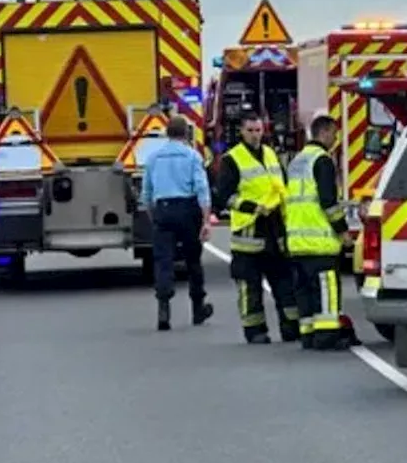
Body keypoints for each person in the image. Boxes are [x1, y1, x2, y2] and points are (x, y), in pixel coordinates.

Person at [216, 113, 300, 344]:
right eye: (250, 130)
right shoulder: (232, 159)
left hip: (275, 228)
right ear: (242, 132)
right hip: (249, 232)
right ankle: (255, 331)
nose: (255, 135)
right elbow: (224, 197)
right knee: (249, 286)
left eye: (258, 130)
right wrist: (252, 207)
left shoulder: (271, 154)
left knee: (285, 282)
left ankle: (291, 327)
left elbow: (282, 185)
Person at [282, 114, 361, 350]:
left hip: (297, 241)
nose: (335, 139)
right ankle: (326, 336)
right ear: (324, 132)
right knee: (326, 292)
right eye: (334, 134)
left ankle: (308, 334)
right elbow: (328, 203)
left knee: (304, 292)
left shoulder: (296, 161)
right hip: (319, 241)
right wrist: (343, 232)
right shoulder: (322, 161)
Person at [140, 115, 215, 331]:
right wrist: (205, 220)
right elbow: (202, 189)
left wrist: (155, 217)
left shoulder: (154, 158)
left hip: (163, 209)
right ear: (186, 134)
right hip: (187, 209)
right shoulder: (192, 157)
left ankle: (164, 307)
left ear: (167, 134)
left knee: (163, 260)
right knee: (193, 260)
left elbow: (146, 194)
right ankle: (198, 307)